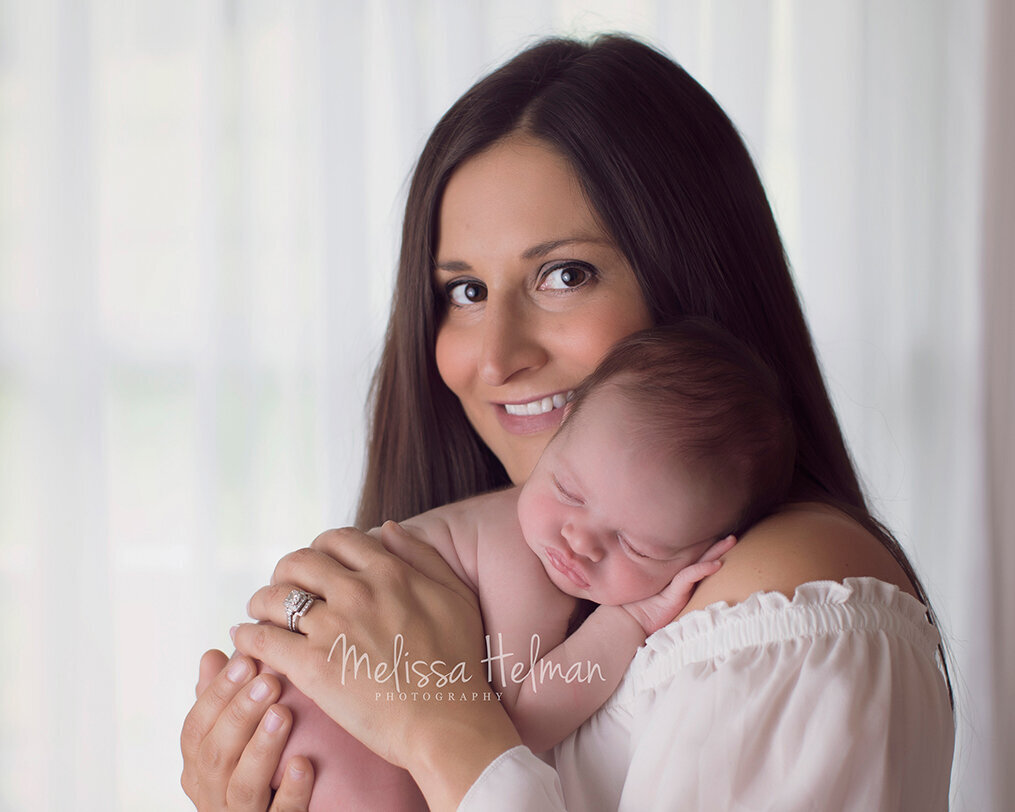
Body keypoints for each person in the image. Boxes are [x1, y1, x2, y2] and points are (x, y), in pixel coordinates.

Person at [181, 34, 955, 811]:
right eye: (464, 291)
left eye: (563, 275)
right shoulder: (527, 573)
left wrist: (436, 726)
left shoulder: (786, 599)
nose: (496, 356)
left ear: (689, 278)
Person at [260, 322, 790, 810]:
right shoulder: (515, 553)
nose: (579, 540)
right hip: (321, 711)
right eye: (568, 489)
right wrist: (634, 617)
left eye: (637, 546)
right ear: (554, 441)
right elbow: (514, 726)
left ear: (705, 552)